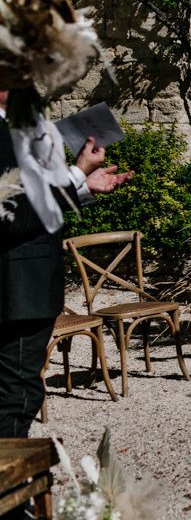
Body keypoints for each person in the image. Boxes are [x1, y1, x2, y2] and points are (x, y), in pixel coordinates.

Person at [0, 76, 133, 441]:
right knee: (16, 395)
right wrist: (77, 172)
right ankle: (11, 491)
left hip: (24, 287)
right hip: (17, 291)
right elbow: (12, 216)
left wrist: (82, 187)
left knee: (19, 391)